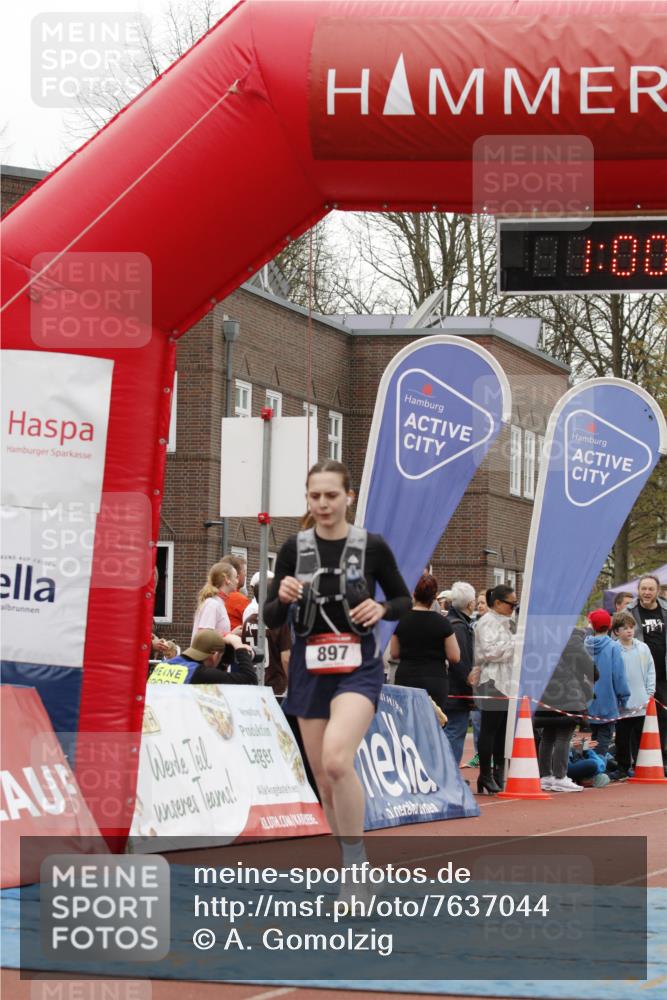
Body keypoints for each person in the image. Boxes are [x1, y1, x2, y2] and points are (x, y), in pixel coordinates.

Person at [264, 460, 411, 891]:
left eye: (331, 495)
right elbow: (272, 613)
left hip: (358, 667)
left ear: (348, 497)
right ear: (308, 499)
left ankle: (356, 869)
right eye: (315, 496)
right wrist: (284, 596)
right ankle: (351, 859)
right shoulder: (295, 548)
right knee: (325, 781)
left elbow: (402, 598)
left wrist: (382, 609)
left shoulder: (372, 547)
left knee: (336, 760)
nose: (323, 503)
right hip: (310, 668)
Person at [534, 627, 595, 793]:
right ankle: (560, 776)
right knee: (564, 736)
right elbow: (589, 667)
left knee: (548, 735)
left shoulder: (541, 636)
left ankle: (545, 776)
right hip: (568, 694)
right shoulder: (572, 637)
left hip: (545, 692)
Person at [470, 584, 518, 794]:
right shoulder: (487, 622)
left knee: (502, 731)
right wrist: (515, 643)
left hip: (506, 681)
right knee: (489, 729)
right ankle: (485, 774)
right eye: (511, 604)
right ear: (498, 603)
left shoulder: (508, 622)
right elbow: (489, 652)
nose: (513, 608)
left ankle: (498, 772)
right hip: (491, 680)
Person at [390, 575, 460, 712]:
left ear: (413, 594)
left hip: (406, 677)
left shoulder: (401, 620)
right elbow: (455, 656)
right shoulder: (443, 623)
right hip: (434, 678)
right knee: (432, 723)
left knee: (407, 724)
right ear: (434, 597)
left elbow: (394, 653)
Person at [626, 575, 667, 775]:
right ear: (638, 590)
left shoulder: (665, 610)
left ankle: (663, 759)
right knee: (637, 718)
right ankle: (636, 760)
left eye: (651, 589)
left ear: (657, 591)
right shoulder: (629, 612)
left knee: (663, 717)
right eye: (644, 589)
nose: (647, 593)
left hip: (663, 675)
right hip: (639, 674)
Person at [611, 610, 656, 779]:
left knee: (639, 736)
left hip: (642, 700)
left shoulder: (643, 648)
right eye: (624, 628)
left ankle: (640, 765)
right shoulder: (614, 648)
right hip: (622, 703)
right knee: (622, 737)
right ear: (616, 631)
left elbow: (651, 670)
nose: (629, 631)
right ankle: (623, 767)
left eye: (631, 627)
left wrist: (650, 691)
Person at [585, 608, 631, 758]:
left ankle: (592, 764)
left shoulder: (585, 646)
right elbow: (619, 675)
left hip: (588, 699)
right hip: (608, 699)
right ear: (609, 625)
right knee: (605, 736)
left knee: (593, 736)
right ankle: (598, 768)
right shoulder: (613, 647)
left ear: (592, 625)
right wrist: (624, 696)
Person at [443, 581, 476, 767]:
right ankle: (450, 774)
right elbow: (462, 661)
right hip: (456, 690)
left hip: (446, 687)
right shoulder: (459, 627)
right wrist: (469, 687)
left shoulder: (449, 622)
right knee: (455, 732)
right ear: (470, 604)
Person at [148, 629, 257, 685]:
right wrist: (239, 646)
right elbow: (249, 679)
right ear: (215, 654)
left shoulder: (164, 665)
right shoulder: (198, 672)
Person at [191, 561, 236, 640]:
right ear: (227, 579)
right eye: (235, 577)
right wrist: (230, 636)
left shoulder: (218, 602)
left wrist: (231, 634)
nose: (237, 581)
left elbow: (213, 634)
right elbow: (204, 636)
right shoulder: (212, 604)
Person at [221, 554, 251, 630]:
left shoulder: (213, 597)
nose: (246, 574)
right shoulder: (239, 599)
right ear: (236, 574)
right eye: (244, 571)